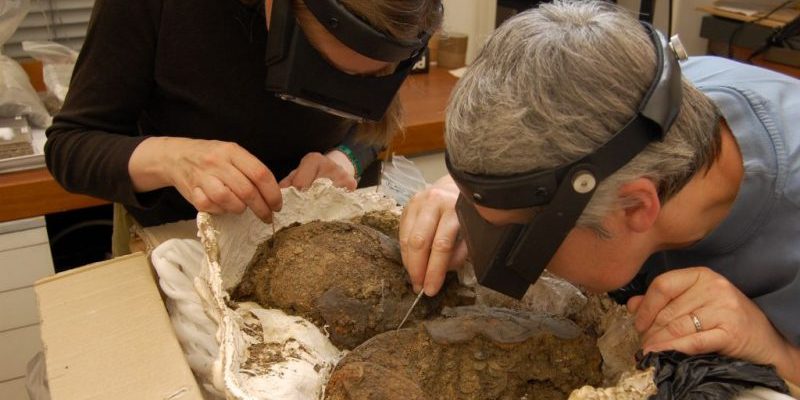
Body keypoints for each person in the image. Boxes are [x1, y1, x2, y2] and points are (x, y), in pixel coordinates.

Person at [399, 0, 800, 386]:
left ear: (635, 206)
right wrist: (467, 193)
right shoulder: (640, 91)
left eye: (519, 237)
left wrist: (778, 351)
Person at [44, 0, 442, 228]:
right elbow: (70, 145)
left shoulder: (401, 16)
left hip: (321, 230)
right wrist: (174, 158)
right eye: (327, 67)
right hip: (183, 238)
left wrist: (347, 157)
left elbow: (375, 124)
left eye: (366, 79)